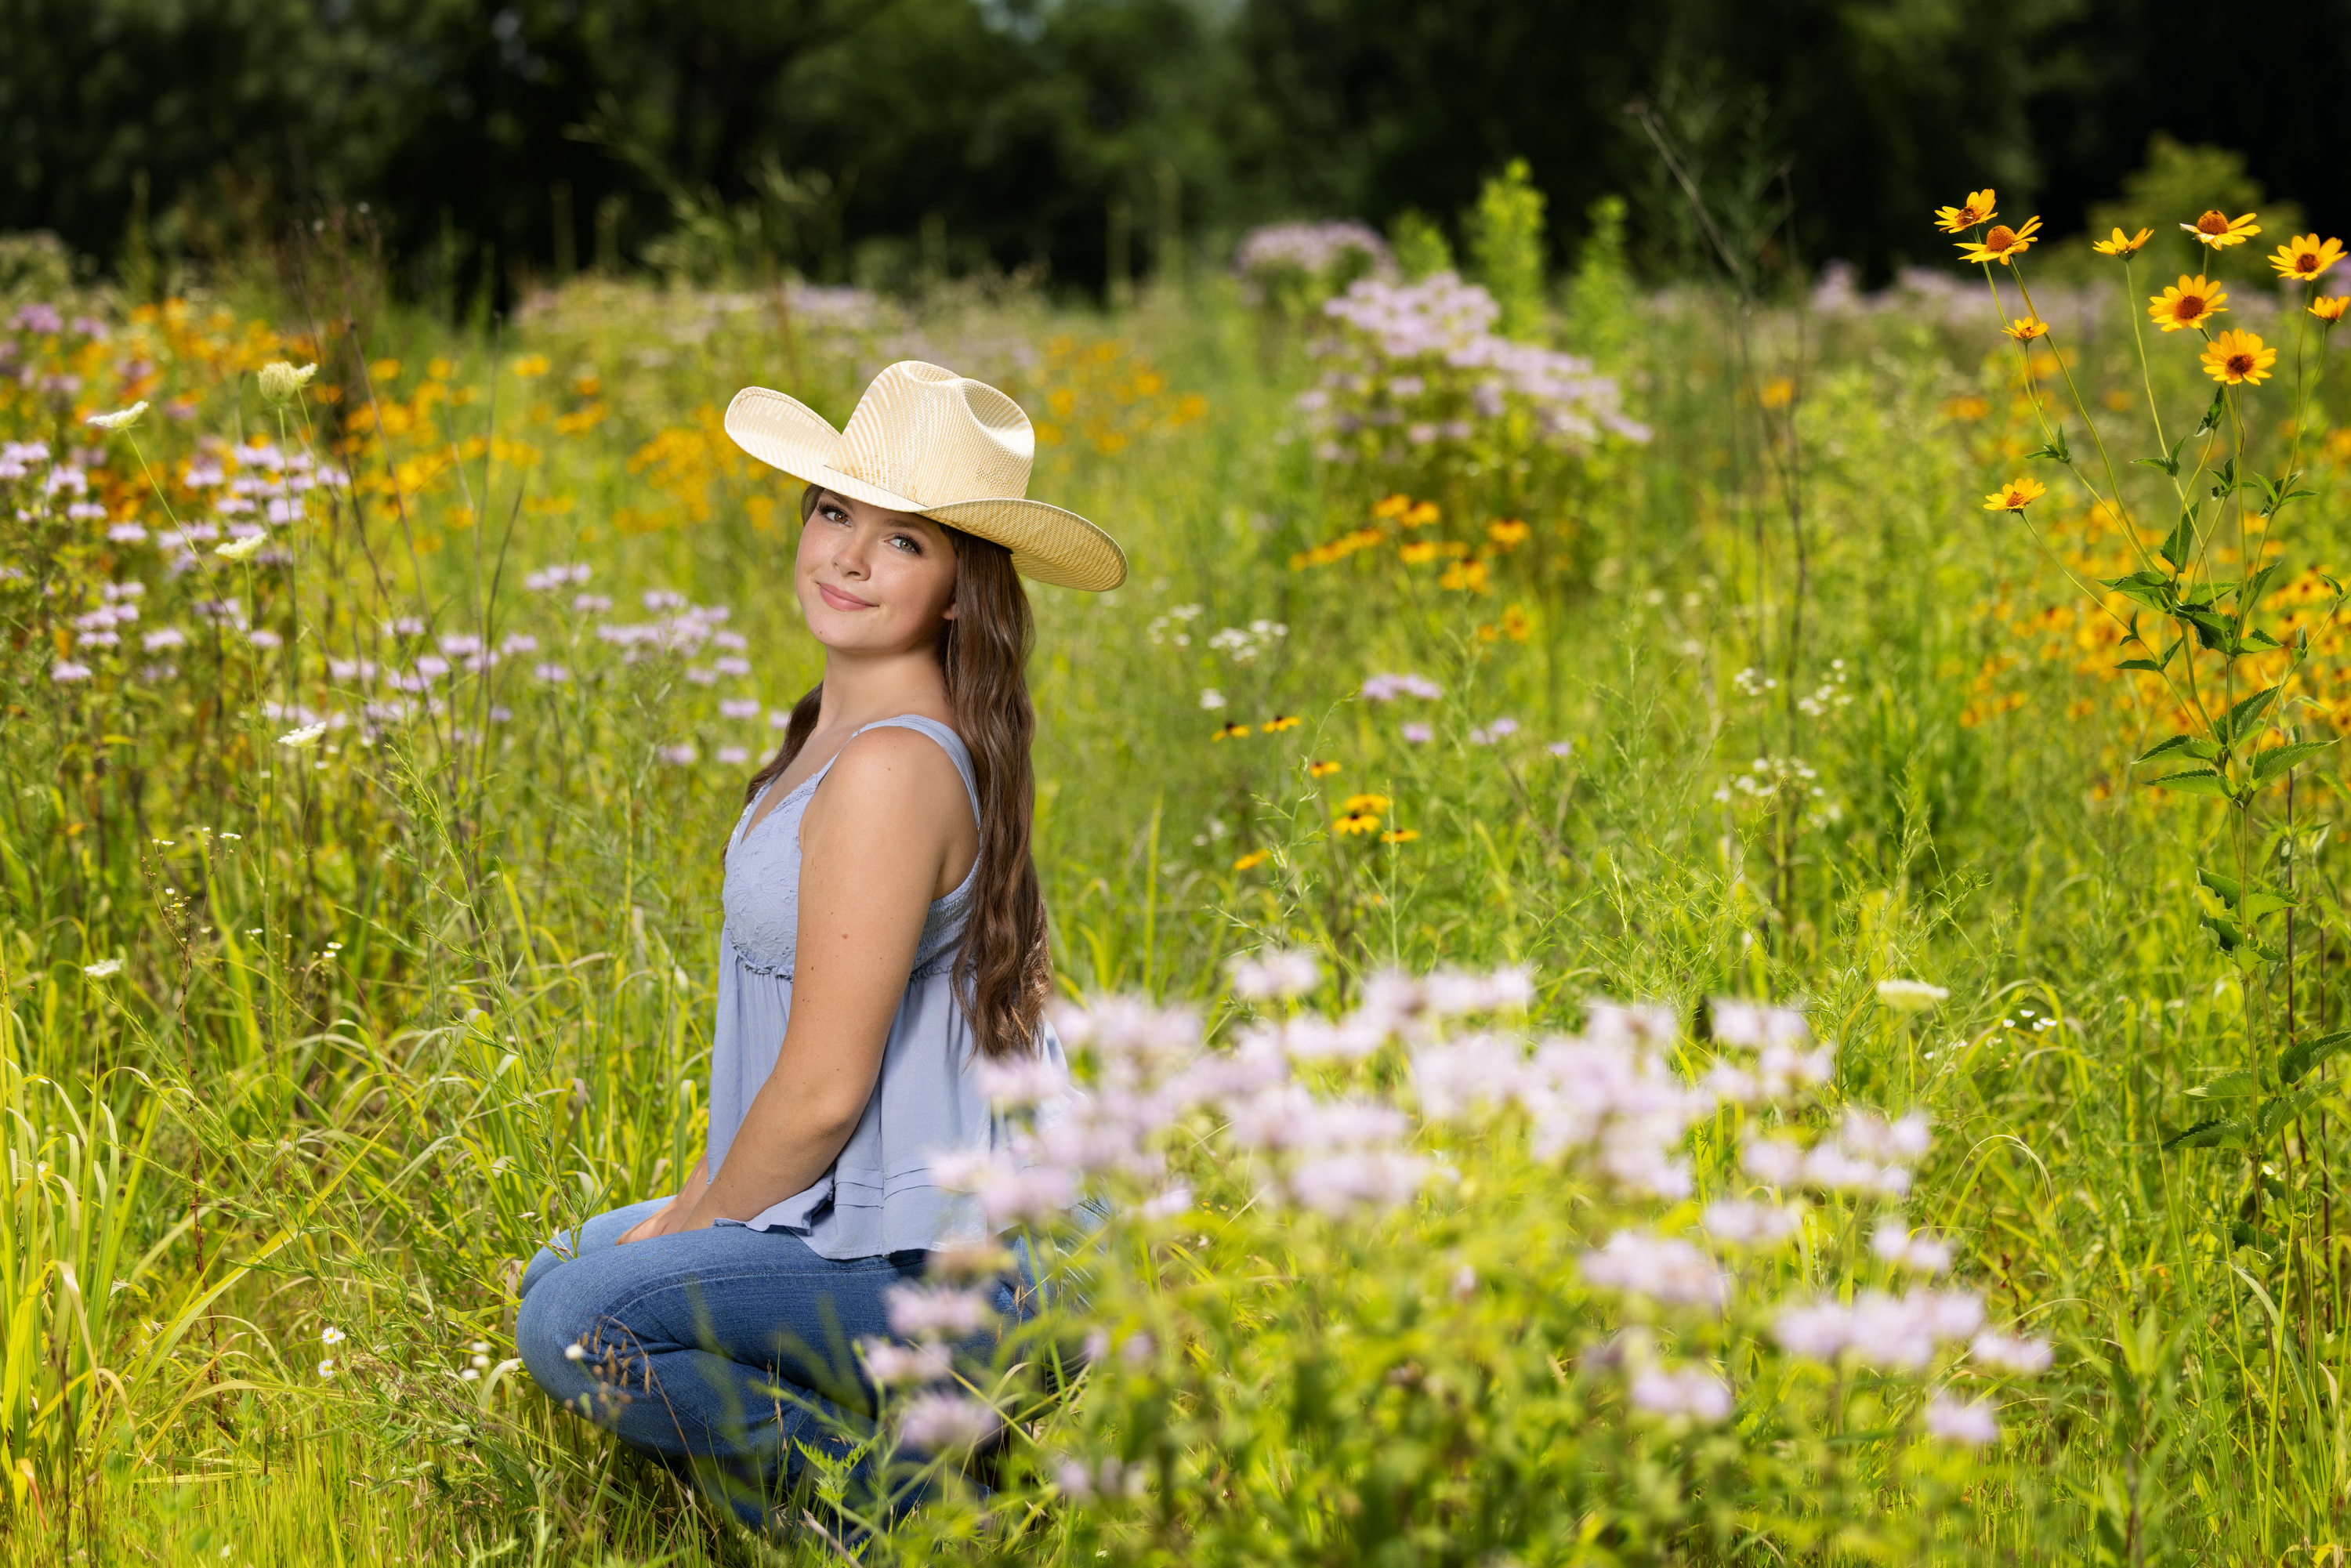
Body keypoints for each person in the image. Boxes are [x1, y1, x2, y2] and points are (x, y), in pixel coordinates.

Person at [516, 360, 1126, 1527]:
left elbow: (823, 1090)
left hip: (961, 1270)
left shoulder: (892, 767)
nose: (847, 555)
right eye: (835, 512)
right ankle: (899, 1459)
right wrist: (688, 1210)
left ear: (961, 589)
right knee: (561, 1268)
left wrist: (691, 1221)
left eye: (903, 541)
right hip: (869, 1215)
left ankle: (922, 1522)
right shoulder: (835, 729)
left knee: (580, 1319)